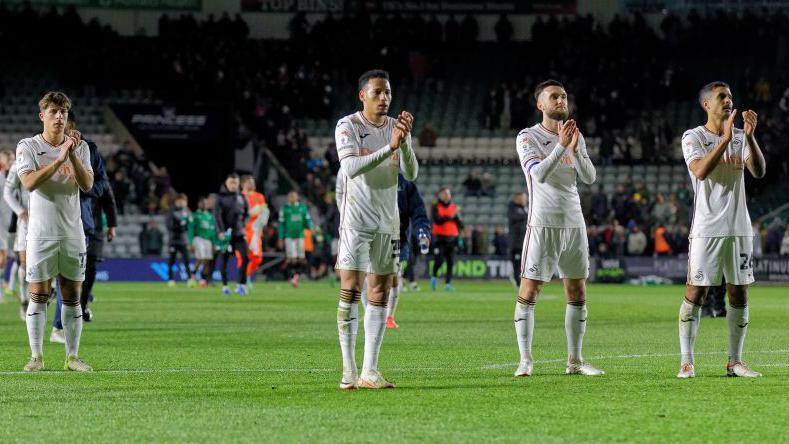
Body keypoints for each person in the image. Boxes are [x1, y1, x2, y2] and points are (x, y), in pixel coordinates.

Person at [334, 69, 418, 390]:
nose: (384, 98)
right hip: (357, 220)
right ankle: (348, 369)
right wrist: (389, 147)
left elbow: (410, 173)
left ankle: (370, 370)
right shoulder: (349, 125)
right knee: (351, 290)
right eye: (378, 93)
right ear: (363, 96)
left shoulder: (396, 128)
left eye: (388, 93)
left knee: (380, 293)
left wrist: (404, 143)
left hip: (388, 221)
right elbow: (351, 167)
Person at [677, 81, 766, 378]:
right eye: (721, 97)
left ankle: (735, 362)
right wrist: (726, 140)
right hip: (706, 228)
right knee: (696, 292)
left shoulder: (741, 137)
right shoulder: (693, 137)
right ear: (707, 104)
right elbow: (700, 171)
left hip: (739, 228)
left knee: (739, 294)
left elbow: (759, 171)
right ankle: (687, 361)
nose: (728, 101)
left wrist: (749, 138)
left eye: (730, 96)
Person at [514, 80, 603, 377]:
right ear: (540, 104)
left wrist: (575, 149)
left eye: (564, 96)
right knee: (531, 289)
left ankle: (575, 361)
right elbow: (537, 174)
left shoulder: (575, 135)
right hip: (543, 222)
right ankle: (525, 360)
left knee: (577, 290)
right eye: (554, 96)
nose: (561, 100)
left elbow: (589, 177)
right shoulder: (528, 137)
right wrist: (562, 146)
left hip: (574, 222)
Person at [17, 91, 93, 372]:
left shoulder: (80, 147)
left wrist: (71, 156)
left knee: (72, 295)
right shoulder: (28, 146)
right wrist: (59, 160)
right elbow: (29, 182)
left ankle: (72, 357)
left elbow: (87, 185)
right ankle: (36, 356)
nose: (59, 116)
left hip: (72, 232)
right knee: (38, 294)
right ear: (43, 116)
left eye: (63, 112)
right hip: (40, 234)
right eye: (53, 112)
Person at [357, 172, 431, 329]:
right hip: (372, 234)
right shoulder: (369, 178)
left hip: (397, 237)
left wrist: (423, 232)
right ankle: (368, 312)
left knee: (394, 277)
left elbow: (418, 212)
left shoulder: (405, 184)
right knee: (366, 275)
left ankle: (389, 317)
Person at [214, 173, 249, 296]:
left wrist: (243, 225)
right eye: (231, 183)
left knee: (246, 257)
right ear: (226, 183)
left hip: (239, 234)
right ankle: (225, 286)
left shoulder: (242, 197)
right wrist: (220, 232)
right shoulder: (220, 198)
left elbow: (246, 214)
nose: (233, 185)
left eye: (235, 183)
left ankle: (241, 284)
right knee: (224, 261)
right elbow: (217, 217)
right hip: (226, 236)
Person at [4, 151, 29, 320]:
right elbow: (7, 193)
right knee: (23, 263)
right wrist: (20, 211)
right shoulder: (19, 165)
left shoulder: (54, 160)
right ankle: (24, 300)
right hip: (25, 223)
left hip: (51, 222)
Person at [430, 187, 463, 292]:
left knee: (451, 262)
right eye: (444, 193)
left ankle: (448, 284)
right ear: (440, 195)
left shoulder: (454, 207)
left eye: (448, 193)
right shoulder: (436, 207)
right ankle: (434, 276)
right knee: (439, 260)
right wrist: (451, 215)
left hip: (452, 238)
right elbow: (438, 221)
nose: (446, 195)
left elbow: (461, 225)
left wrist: (456, 216)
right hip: (439, 238)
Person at [277, 190, 312, 288]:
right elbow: (281, 225)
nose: (292, 198)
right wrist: (280, 238)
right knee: (291, 259)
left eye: (294, 196)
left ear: (297, 198)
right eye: (290, 196)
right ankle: (291, 277)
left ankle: (295, 277)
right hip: (289, 237)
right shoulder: (285, 208)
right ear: (288, 198)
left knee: (301, 259)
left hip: (300, 236)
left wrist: (311, 227)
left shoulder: (302, 208)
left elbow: (307, 220)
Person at [240, 175, 269, 287]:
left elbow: (264, 212)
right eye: (249, 182)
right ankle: (242, 280)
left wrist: (262, 222)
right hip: (241, 231)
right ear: (243, 184)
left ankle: (246, 275)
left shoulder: (259, 197)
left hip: (255, 232)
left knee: (257, 258)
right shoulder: (239, 197)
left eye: (253, 182)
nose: (252, 184)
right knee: (242, 257)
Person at [166, 193, 196, 287]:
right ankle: (170, 279)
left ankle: (190, 279)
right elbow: (168, 225)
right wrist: (180, 226)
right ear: (176, 202)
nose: (182, 203)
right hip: (173, 240)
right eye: (180, 201)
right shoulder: (172, 211)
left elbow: (191, 225)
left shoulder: (187, 212)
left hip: (183, 241)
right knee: (172, 261)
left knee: (187, 260)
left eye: (184, 201)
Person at [192, 196, 218, 287]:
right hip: (199, 238)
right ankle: (192, 275)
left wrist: (214, 243)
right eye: (202, 203)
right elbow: (191, 230)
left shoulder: (209, 216)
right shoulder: (195, 215)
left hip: (208, 240)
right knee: (201, 258)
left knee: (207, 260)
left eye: (205, 203)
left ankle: (203, 279)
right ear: (199, 204)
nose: (203, 204)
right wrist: (190, 242)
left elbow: (212, 232)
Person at [507, 192, 528, 287]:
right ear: (517, 199)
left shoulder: (525, 209)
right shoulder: (512, 208)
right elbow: (515, 217)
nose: (524, 200)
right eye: (522, 198)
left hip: (524, 241)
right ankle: (517, 281)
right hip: (516, 243)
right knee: (517, 263)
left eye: (525, 198)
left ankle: (519, 279)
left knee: (523, 263)